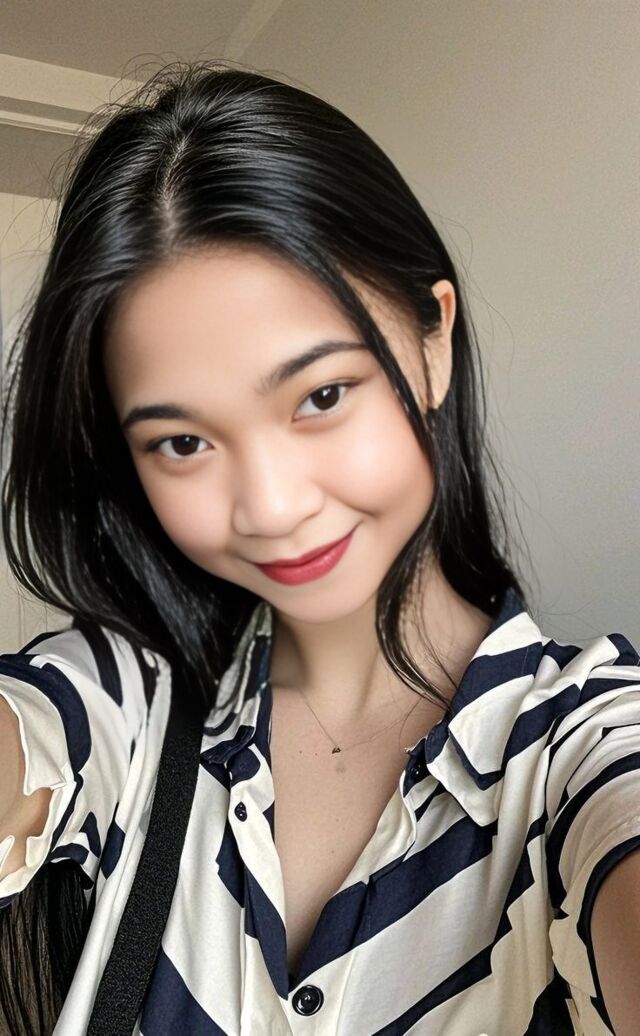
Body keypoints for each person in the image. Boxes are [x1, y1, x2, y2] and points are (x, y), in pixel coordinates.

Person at [0, 60, 637, 1036]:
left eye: (321, 396)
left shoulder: (584, 742)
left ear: (433, 342)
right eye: (182, 442)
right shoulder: (125, 708)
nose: (271, 505)